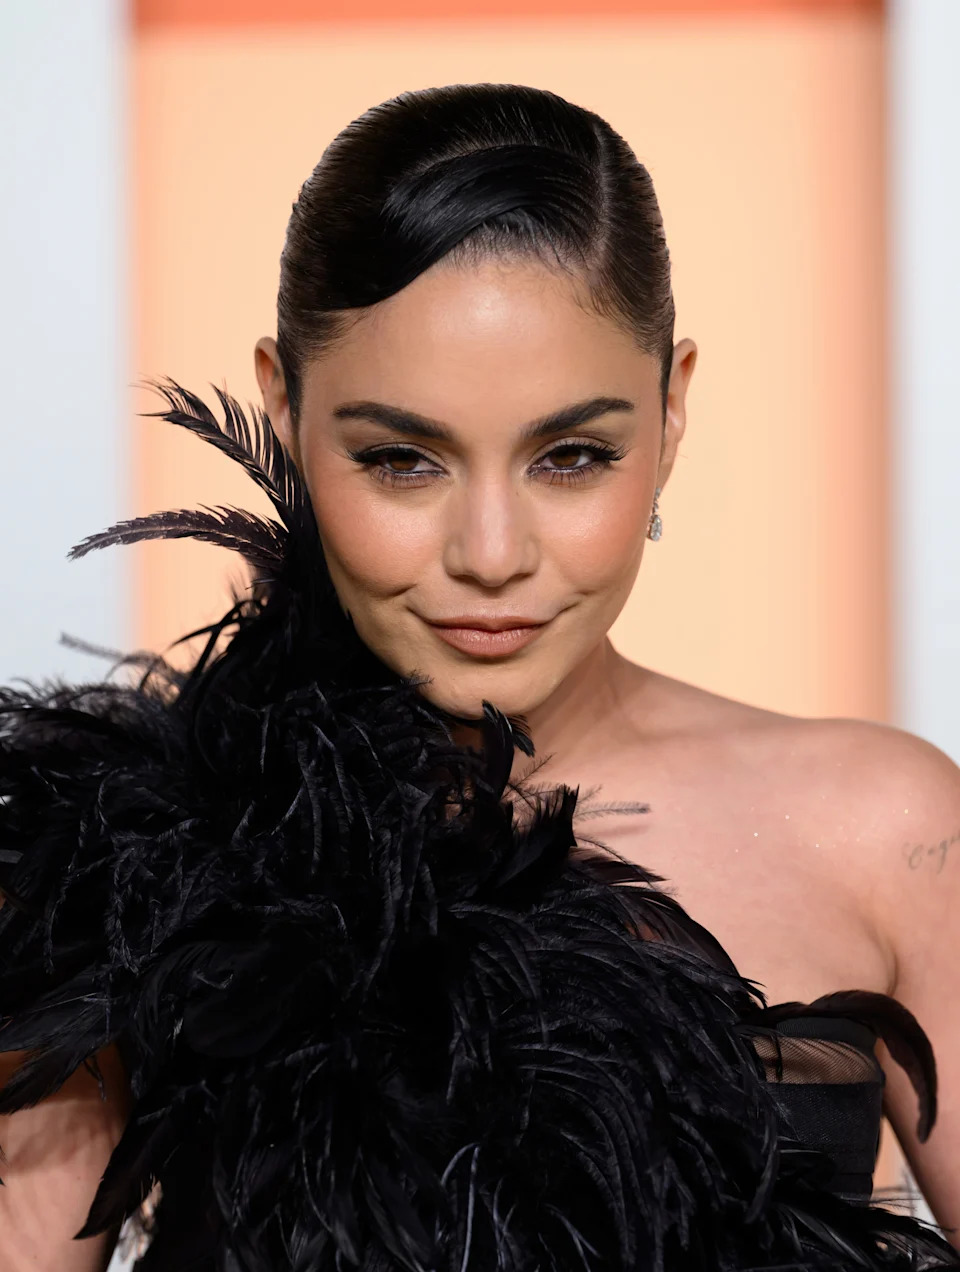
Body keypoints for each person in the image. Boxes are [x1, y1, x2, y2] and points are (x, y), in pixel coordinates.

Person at [1, 81, 959, 1271]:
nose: (491, 557)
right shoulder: (123, 858)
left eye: (572, 456)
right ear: (284, 410)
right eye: (402, 458)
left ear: (672, 411)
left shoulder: (888, 836)